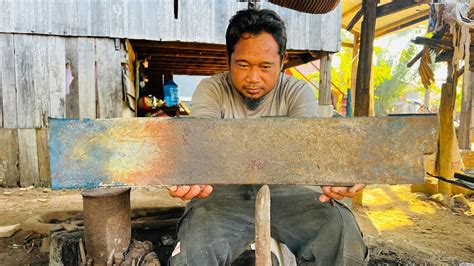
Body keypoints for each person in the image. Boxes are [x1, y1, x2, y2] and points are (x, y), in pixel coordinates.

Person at [168, 8, 368, 265]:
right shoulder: (212, 89)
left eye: (265, 66)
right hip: (222, 194)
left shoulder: (297, 92)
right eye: (242, 65)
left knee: (339, 233)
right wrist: (188, 166)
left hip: (288, 191)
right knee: (191, 253)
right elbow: (201, 138)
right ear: (228, 58)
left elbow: (309, 144)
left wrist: (338, 168)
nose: (253, 78)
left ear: (282, 61)